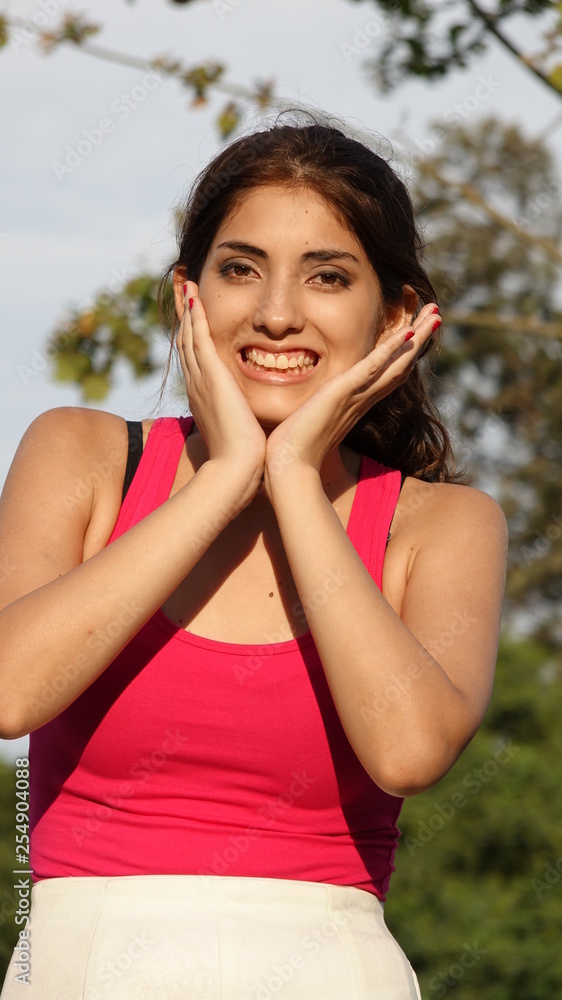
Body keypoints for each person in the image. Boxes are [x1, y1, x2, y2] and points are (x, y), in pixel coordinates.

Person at [0, 117, 507, 1000]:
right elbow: (12, 691)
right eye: (240, 269)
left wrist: (295, 477)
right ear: (188, 295)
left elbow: (407, 752)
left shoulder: (441, 524)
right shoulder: (82, 455)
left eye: (328, 276)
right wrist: (227, 474)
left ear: (395, 318)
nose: (276, 312)